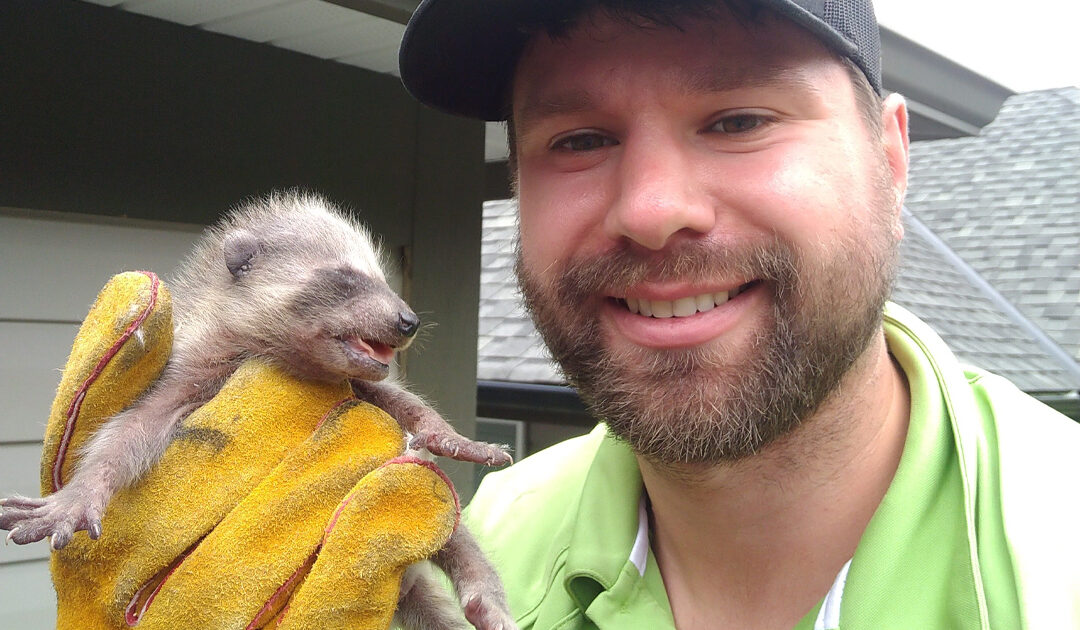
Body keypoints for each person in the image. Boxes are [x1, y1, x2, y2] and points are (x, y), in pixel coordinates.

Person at [399, 0, 1080, 629]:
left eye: (739, 121)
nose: (651, 211)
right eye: (579, 140)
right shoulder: (477, 555)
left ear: (891, 161)